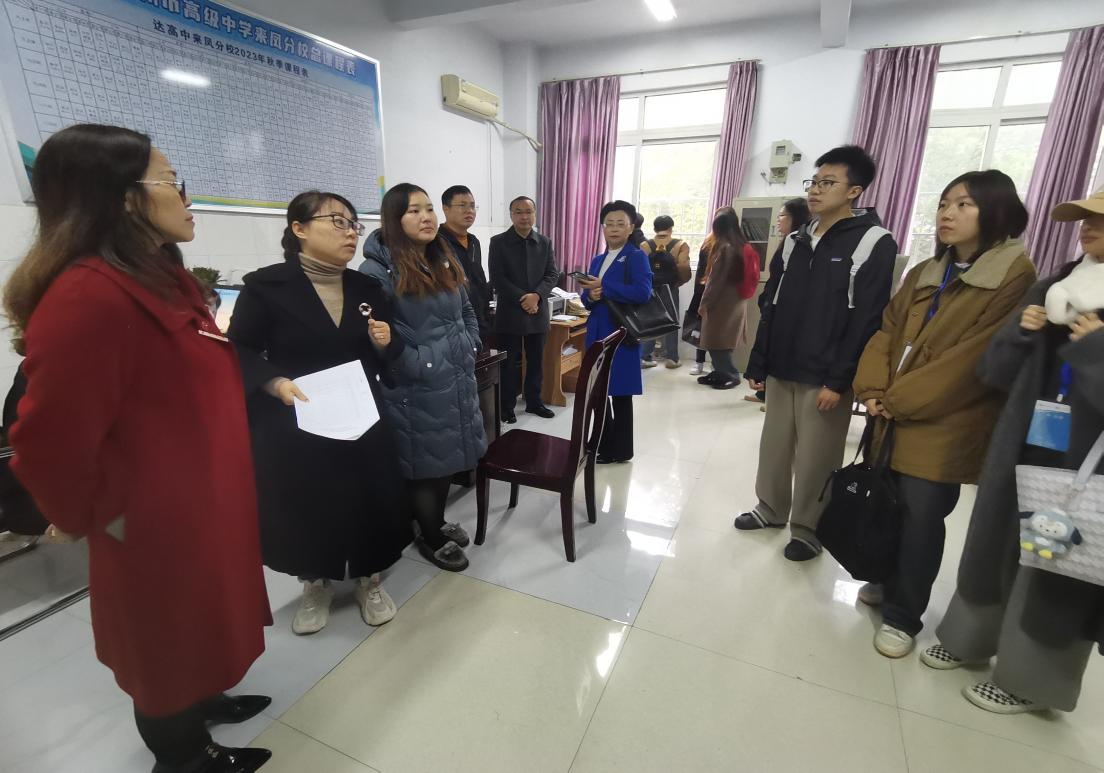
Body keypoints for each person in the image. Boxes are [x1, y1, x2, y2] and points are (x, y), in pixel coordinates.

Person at [3, 124, 271, 773]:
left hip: (201, 502)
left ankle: (203, 699)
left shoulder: (160, 275)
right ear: (124, 197)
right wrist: (93, 516)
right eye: (171, 181)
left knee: (201, 624)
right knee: (164, 646)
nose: (187, 196)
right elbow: (45, 440)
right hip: (149, 521)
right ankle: (183, 756)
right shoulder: (88, 296)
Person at [923, 189, 1104, 714]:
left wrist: (1095, 348)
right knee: (993, 544)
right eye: (1083, 219)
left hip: (1085, 463)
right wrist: (1021, 337)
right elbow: (994, 372)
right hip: (1026, 441)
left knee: (1057, 565)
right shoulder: (1056, 286)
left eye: (1099, 221)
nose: (1086, 228)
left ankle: (1029, 682)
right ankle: (968, 639)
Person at [853, 170, 1036, 658]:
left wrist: (896, 401)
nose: (947, 214)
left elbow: (972, 361)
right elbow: (887, 330)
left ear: (995, 211)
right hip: (891, 408)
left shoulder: (1014, 274)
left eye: (963, 205)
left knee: (922, 518)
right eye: (943, 204)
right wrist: (871, 389)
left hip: (944, 419)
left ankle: (903, 616)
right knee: (888, 502)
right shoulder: (928, 270)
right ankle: (885, 580)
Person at [229, 191, 412, 636]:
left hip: (361, 413)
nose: (351, 232)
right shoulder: (265, 287)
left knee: (370, 496)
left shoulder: (367, 288)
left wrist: (385, 343)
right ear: (299, 229)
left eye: (354, 224)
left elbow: (389, 353)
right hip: (300, 415)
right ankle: (316, 584)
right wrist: (274, 382)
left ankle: (369, 580)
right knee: (310, 502)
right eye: (338, 221)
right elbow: (239, 350)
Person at [737, 145, 898, 561]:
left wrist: (839, 380)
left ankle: (809, 528)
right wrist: (759, 361)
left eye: (828, 183)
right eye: (814, 181)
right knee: (774, 445)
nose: (815, 190)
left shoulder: (873, 242)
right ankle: (770, 508)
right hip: (783, 364)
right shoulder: (796, 240)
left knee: (817, 456)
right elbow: (771, 304)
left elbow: (867, 319)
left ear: (854, 191)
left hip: (826, 374)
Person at [360, 183, 487, 571]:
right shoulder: (377, 270)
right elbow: (379, 336)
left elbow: (466, 309)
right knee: (423, 466)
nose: (426, 217)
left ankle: (435, 521)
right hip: (416, 384)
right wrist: (420, 363)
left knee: (446, 459)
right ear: (394, 219)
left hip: (456, 374)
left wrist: (471, 342)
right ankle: (431, 537)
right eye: (414, 210)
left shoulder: (442, 256)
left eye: (429, 209)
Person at [577, 201, 653, 464]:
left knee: (620, 393)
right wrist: (591, 295)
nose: (614, 229)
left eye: (621, 224)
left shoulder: (636, 256)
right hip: (597, 331)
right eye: (609, 224)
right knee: (598, 391)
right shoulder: (598, 259)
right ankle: (602, 441)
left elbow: (643, 292)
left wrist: (605, 287)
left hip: (621, 333)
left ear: (631, 228)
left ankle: (620, 449)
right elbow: (587, 297)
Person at [488, 196, 560, 423]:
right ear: (511, 215)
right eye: (518, 212)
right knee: (508, 363)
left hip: (537, 311)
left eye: (528, 211)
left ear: (535, 214)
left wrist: (536, 295)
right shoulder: (498, 242)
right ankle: (507, 406)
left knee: (536, 360)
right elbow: (497, 278)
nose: (524, 216)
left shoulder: (544, 242)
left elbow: (552, 274)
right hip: (510, 311)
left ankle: (534, 402)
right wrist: (523, 298)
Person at [747, 199, 811, 404]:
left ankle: (769, 395)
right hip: (772, 303)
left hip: (785, 309)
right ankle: (764, 392)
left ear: (795, 218)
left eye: (782, 216)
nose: (778, 220)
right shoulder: (788, 241)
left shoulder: (802, 244)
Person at [696, 208, 761, 390]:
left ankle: (730, 374)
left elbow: (715, 281)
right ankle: (719, 373)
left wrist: (704, 303)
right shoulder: (742, 245)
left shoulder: (725, 248)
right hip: (736, 300)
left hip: (722, 302)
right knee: (724, 339)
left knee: (717, 341)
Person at [440, 185, 492, 349]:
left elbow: (479, 279)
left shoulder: (474, 241)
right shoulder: (436, 243)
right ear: (446, 208)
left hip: (479, 319)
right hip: (454, 323)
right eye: (462, 205)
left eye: (472, 206)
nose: (469, 211)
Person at [641, 215, 690, 369]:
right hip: (670, 288)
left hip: (650, 288)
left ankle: (644, 357)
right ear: (670, 228)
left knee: (650, 320)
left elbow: (641, 268)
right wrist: (678, 282)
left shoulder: (645, 245)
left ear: (655, 229)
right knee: (672, 321)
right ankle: (672, 358)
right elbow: (684, 267)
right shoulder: (680, 245)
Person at [686, 208, 727, 376]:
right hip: (704, 290)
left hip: (723, 294)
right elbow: (701, 270)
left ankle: (716, 364)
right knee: (701, 328)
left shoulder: (731, 244)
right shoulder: (708, 242)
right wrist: (699, 294)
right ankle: (699, 362)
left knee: (719, 330)